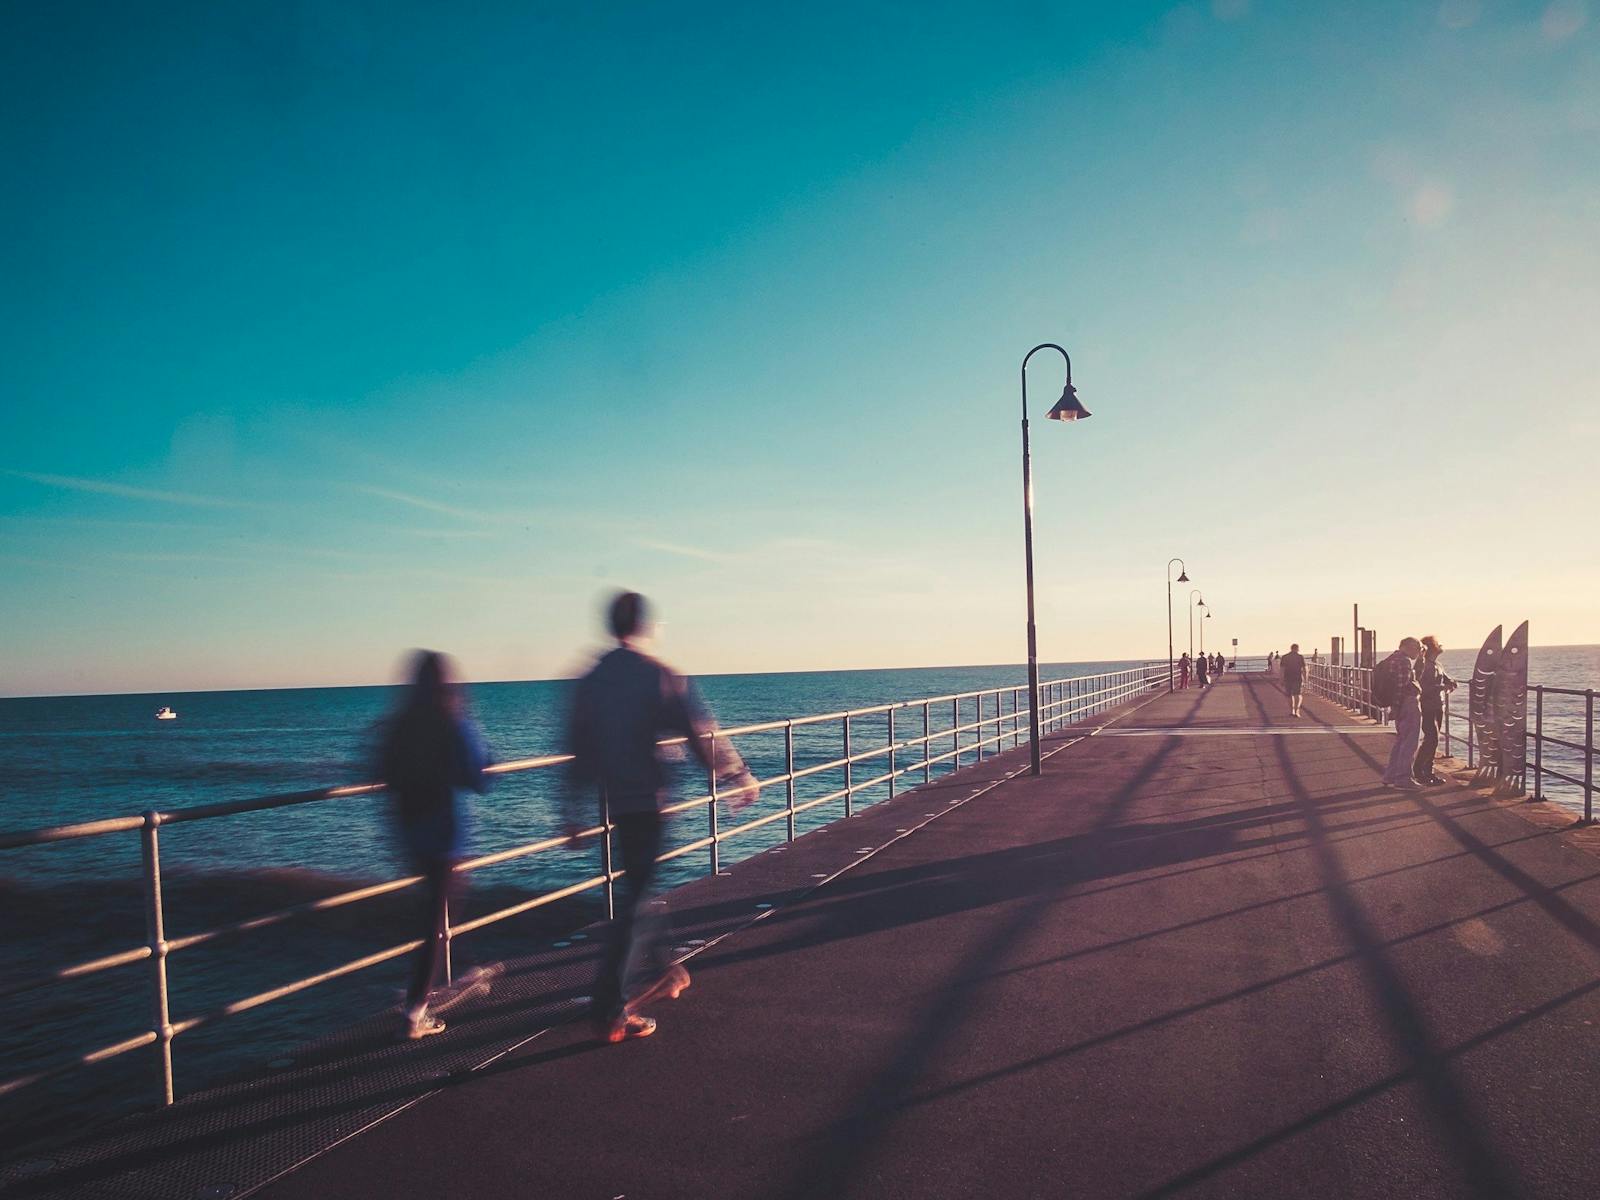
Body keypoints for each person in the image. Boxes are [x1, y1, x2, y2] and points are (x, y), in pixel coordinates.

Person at [565, 591, 758, 1044]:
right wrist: (737, 774)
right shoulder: (658, 674)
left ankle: (668, 971)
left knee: (640, 885)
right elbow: (698, 732)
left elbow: (578, 747)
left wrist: (570, 808)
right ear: (646, 625)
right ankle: (610, 1008)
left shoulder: (592, 679)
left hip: (615, 799)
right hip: (651, 800)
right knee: (637, 893)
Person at [377, 650, 491, 1040]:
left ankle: (459, 971)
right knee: (438, 918)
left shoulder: (397, 725)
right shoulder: (452, 721)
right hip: (445, 835)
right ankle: (416, 1009)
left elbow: (384, 773)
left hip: (408, 832)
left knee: (438, 912)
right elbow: (480, 777)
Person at [1378, 637, 1425, 790]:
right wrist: (1397, 708)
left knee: (1400, 741)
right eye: (1417, 648)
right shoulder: (1403, 662)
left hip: (1399, 705)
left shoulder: (1391, 659)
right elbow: (1401, 687)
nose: (1418, 652)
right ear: (1408, 647)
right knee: (1410, 742)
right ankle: (1403, 778)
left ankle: (1390, 776)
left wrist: (1394, 707)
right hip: (1408, 704)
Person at [1414, 635, 1457, 785]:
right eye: (1438, 644)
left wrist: (1450, 682)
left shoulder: (1437, 664)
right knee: (1431, 738)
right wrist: (1442, 687)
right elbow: (1422, 687)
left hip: (1438, 705)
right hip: (1427, 706)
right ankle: (1420, 770)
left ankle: (1428, 771)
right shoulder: (1425, 666)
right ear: (1432, 648)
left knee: (1433, 739)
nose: (1441, 646)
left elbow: (1445, 678)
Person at [1280, 643, 1307, 718]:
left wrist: (1281, 679)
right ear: (1297, 649)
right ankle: (1297, 710)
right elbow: (1305, 669)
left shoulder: (1284, 657)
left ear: (1291, 648)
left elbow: (1282, 669)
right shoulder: (1300, 657)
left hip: (1287, 678)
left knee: (1289, 695)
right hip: (1297, 678)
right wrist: (1305, 679)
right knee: (1297, 694)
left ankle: (1292, 710)